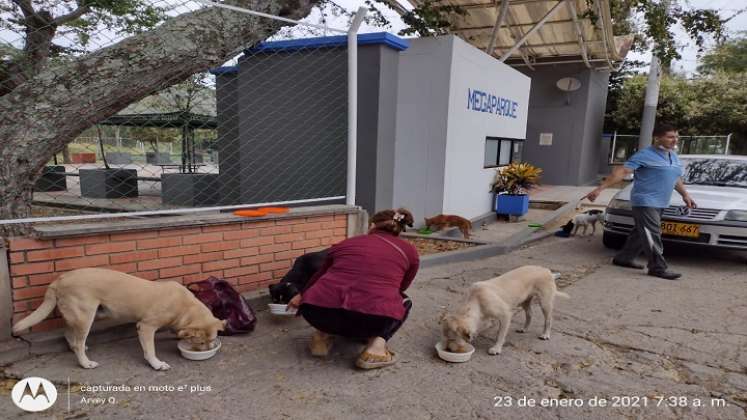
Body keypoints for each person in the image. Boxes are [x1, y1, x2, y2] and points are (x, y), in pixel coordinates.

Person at [288, 208, 419, 369]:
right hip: (370, 320)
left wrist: (301, 296)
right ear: (400, 229)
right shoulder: (410, 251)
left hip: (315, 312)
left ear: (372, 225)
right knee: (404, 301)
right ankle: (375, 350)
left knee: (329, 297)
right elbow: (401, 287)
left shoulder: (346, 243)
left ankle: (321, 337)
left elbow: (319, 276)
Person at [583, 122, 697, 280]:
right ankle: (657, 267)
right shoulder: (645, 155)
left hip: (661, 201)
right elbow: (622, 171)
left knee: (640, 231)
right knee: (652, 232)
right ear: (657, 138)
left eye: (676, 137)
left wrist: (685, 195)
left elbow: (674, 177)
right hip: (645, 201)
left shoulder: (673, 156)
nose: (675, 140)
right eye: (670, 137)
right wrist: (600, 188)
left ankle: (624, 258)